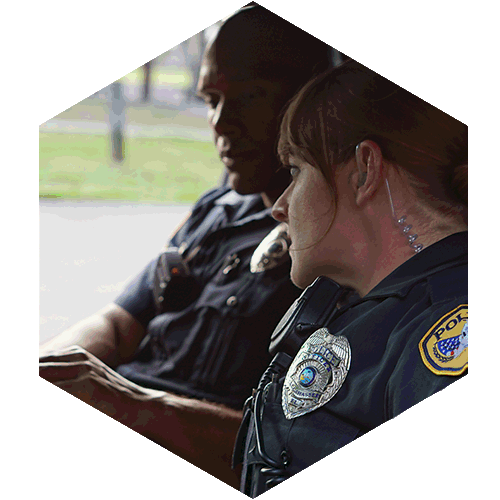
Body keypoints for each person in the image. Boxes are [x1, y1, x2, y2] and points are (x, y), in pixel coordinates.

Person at [39, 5, 339, 488]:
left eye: (248, 97)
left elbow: (289, 445)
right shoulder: (217, 208)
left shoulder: (335, 244)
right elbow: (118, 323)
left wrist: (127, 404)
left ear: (306, 98)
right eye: (211, 100)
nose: (220, 122)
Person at [232, 59, 468, 496]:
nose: (279, 206)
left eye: (295, 170)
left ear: (364, 171)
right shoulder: (354, 304)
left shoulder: (446, 333)